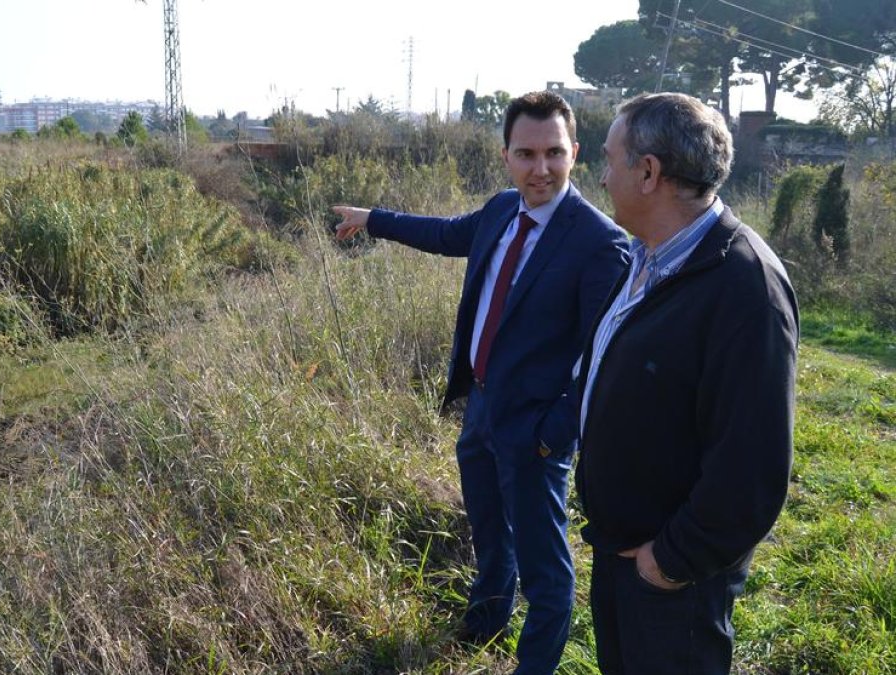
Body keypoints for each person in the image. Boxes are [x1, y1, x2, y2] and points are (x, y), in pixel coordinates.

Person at [333, 90, 628, 674]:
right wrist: (373, 220)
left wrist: (553, 434)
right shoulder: (500, 210)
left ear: (576, 154)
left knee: (547, 571)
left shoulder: (598, 242)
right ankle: (486, 623)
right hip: (482, 408)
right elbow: (446, 234)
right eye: (526, 154)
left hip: (536, 429)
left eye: (553, 154)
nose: (539, 169)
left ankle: (534, 665)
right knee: (491, 534)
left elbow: (603, 360)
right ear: (506, 156)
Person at [576, 92, 798, 674]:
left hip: (674, 578)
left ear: (648, 172)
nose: (599, 176)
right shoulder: (646, 255)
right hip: (623, 552)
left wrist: (669, 561)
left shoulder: (745, 287)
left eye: (608, 159)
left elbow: (752, 468)